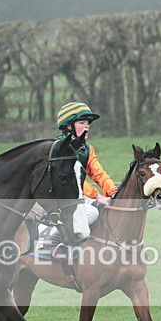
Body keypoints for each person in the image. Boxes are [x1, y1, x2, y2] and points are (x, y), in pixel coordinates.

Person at [39, 102, 117, 250]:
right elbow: (73, 179)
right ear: (69, 126)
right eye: (82, 122)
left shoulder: (87, 149)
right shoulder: (59, 149)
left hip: (76, 194)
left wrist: (113, 192)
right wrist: (97, 196)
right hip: (59, 195)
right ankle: (51, 239)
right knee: (92, 213)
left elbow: (98, 173)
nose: (87, 126)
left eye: (88, 123)